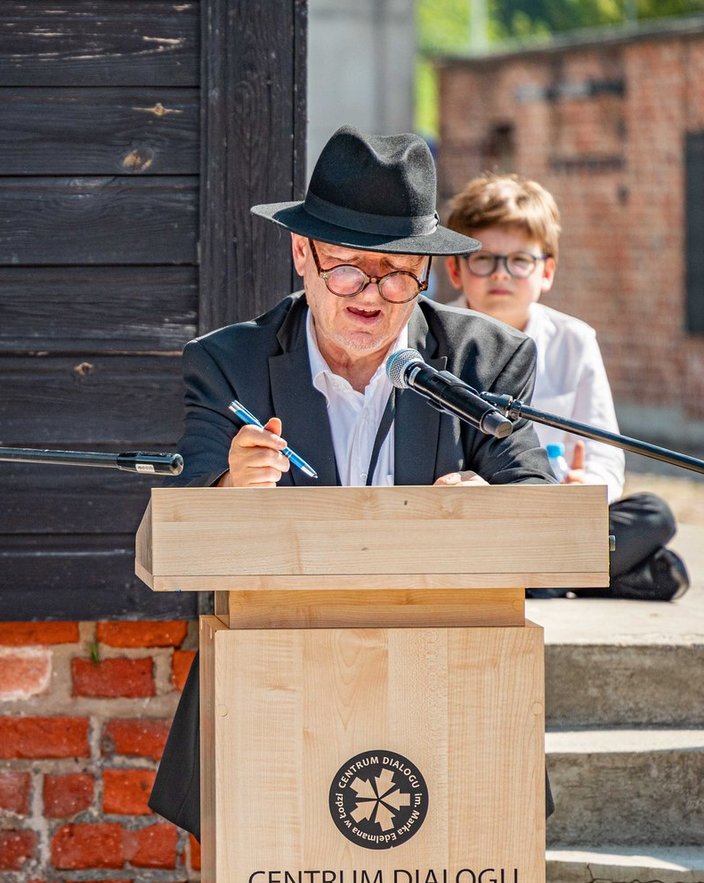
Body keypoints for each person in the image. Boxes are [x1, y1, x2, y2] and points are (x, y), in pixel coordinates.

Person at [149, 126, 557, 839]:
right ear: (301, 254)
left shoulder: (483, 360)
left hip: (450, 687)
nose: (373, 295)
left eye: (398, 272)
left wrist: (491, 511)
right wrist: (231, 490)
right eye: (347, 269)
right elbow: (176, 522)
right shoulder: (230, 365)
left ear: (426, 270)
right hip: (273, 689)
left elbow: (544, 513)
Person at [444, 173, 688, 602]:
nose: (501, 274)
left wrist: (586, 487)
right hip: (471, 520)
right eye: (483, 259)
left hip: (553, 520)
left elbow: (604, 451)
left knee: (654, 514)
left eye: (520, 260)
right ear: (455, 269)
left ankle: (536, 578)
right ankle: (594, 574)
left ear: (547, 271)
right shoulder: (432, 339)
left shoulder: (574, 341)